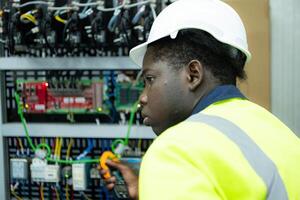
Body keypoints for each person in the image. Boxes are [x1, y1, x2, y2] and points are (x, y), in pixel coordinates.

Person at [101, 0, 300, 199]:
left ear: (193, 75)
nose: (142, 98)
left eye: (150, 79)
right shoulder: (280, 133)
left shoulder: (176, 152)